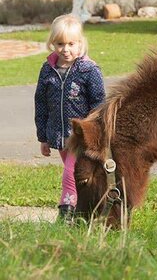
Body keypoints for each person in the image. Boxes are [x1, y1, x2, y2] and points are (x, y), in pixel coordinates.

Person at [35, 14, 105, 224]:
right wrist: (43, 137)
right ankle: (88, 210)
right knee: (81, 176)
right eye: (60, 44)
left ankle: (66, 212)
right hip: (58, 135)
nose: (65, 49)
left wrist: (96, 133)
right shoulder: (48, 70)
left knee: (71, 172)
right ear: (52, 44)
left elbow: (99, 104)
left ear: (80, 43)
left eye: (71, 44)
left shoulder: (89, 70)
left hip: (81, 136)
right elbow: (41, 103)